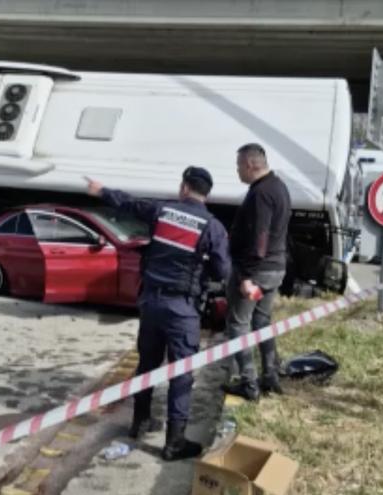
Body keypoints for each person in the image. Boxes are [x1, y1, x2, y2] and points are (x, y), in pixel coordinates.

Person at [86, 167, 231, 461]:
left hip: (150, 302)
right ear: (207, 195)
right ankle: (174, 442)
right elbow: (223, 270)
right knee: (181, 374)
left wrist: (101, 190)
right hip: (182, 309)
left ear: (183, 188)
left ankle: (139, 423)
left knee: (148, 365)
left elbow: (128, 203)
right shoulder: (212, 227)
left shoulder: (161, 211)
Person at [221, 143, 292, 402]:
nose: (237, 170)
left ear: (250, 165)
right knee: (262, 323)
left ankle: (249, 383)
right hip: (275, 269)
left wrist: (246, 277)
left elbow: (260, 238)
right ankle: (270, 376)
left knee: (238, 325)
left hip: (257, 273)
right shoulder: (278, 186)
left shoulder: (261, 194)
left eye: (239, 165)